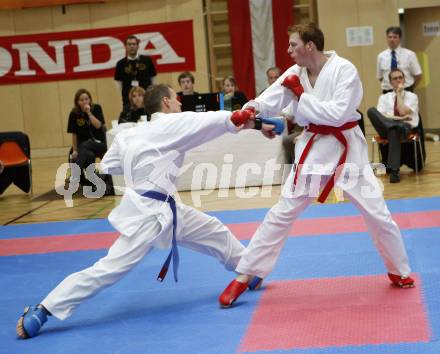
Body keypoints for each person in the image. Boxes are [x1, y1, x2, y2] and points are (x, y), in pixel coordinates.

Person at [16, 84, 276, 339]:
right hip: (150, 216)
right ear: (165, 102)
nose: (179, 103)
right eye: (176, 99)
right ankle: (44, 308)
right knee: (107, 269)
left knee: (213, 230)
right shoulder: (171, 124)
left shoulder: (130, 134)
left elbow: (109, 165)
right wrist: (244, 119)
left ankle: (248, 269)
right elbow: (210, 121)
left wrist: (143, 164)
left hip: (164, 208)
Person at [218, 23, 415, 308]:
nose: (288, 50)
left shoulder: (344, 70)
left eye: (293, 45)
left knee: (378, 215)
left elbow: (337, 114)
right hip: (313, 151)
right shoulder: (295, 74)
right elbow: (270, 97)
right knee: (281, 213)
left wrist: (301, 96)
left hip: (348, 152)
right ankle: (246, 272)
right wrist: (250, 110)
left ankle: (399, 270)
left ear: (310, 45)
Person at [367, 68, 419, 183]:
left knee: (394, 131)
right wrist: (398, 119)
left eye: (401, 77)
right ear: (390, 82)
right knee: (371, 111)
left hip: (405, 128)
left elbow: (403, 111)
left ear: (404, 80)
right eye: (395, 78)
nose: (398, 80)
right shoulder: (383, 98)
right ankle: (394, 126)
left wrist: (399, 95)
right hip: (386, 127)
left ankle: (394, 172)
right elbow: (382, 116)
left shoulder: (412, 96)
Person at [67, 89, 107, 186]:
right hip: (83, 145)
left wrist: (89, 113)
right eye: (81, 100)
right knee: (86, 153)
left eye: (86, 99)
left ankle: (75, 175)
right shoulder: (74, 114)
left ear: (90, 99)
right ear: (77, 102)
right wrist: (75, 150)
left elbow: (98, 126)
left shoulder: (97, 108)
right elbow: (74, 134)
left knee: (85, 145)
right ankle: (89, 179)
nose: (85, 102)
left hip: (99, 143)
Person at [114, 35, 157, 108]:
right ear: (125, 46)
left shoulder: (147, 60)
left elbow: (153, 78)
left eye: (134, 44)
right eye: (129, 44)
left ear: (138, 46)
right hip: (129, 101)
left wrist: (152, 93)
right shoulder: (120, 64)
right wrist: (128, 94)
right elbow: (119, 83)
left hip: (147, 99)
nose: (132, 46)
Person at [377, 26, 422, 93]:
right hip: (388, 92)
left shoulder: (410, 54)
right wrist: (391, 85)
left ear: (400, 39)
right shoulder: (381, 56)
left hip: (406, 90)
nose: (392, 39)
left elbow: (418, 75)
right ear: (387, 38)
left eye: (395, 37)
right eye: (390, 37)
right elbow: (380, 77)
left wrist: (410, 88)